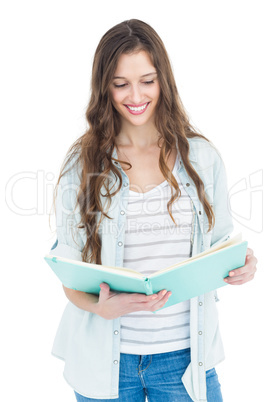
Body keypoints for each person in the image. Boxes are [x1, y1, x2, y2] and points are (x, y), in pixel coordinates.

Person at [48, 19, 257, 402]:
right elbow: (70, 273)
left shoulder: (202, 158)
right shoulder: (82, 163)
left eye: (147, 80)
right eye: (120, 83)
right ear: (104, 88)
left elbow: (223, 244)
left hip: (184, 363)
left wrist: (244, 262)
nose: (136, 95)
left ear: (164, 80)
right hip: (106, 364)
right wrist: (101, 307)